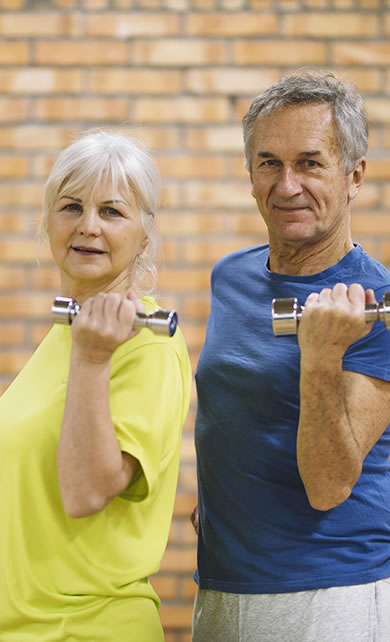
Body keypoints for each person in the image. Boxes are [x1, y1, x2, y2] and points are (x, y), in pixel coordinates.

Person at [192, 70, 390, 642]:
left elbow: (328, 485)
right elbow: (234, 406)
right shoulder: (230, 276)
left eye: (309, 162)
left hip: (329, 594)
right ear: (250, 173)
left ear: (353, 176)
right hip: (222, 586)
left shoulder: (375, 306)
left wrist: (323, 356)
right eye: (269, 163)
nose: (287, 185)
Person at [0, 130, 192, 641]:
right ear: (47, 222)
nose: (88, 226)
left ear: (144, 236)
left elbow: (86, 492)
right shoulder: (64, 335)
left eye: (112, 211)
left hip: (86, 630)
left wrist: (91, 358)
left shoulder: (147, 345)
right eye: (70, 207)